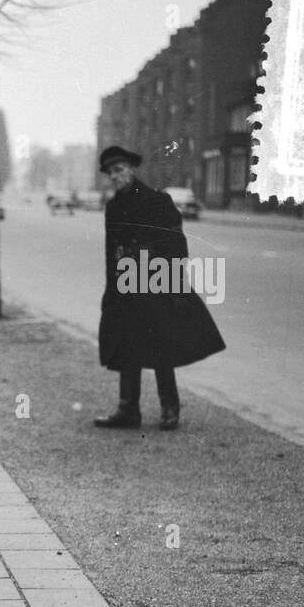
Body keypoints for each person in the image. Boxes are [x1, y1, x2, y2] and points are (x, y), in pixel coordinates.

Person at [95, 145, 225, 430]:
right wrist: (111, 291)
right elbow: (111, 251)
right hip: (126, 285)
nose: (115, 177)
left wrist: (177, 288)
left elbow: (176, 246)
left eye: (119, 170)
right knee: (127, 345)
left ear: (131, 169)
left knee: (160, 346)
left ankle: (170, 409)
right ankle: (128, 410)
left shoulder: (157, 201)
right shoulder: (114, 207)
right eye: (110, 173)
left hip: (156, 283)